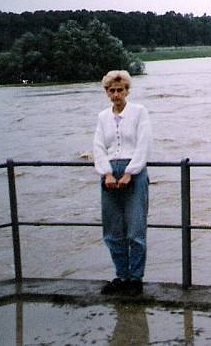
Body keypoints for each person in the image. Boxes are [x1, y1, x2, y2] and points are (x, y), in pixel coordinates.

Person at [93, 70, 152, 296]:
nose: (116, 94)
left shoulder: (139, 112)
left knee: (136, 228)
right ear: (106, 92)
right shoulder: (102, 117)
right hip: (109, 172)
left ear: (127, 90)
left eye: (120, 90)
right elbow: (98, 146)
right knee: (113, 229)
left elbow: (144, 143)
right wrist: (106, 173)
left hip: (133, 172)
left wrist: (131, 172)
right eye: (112, 91)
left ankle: (135, 279)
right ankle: (121, 276)